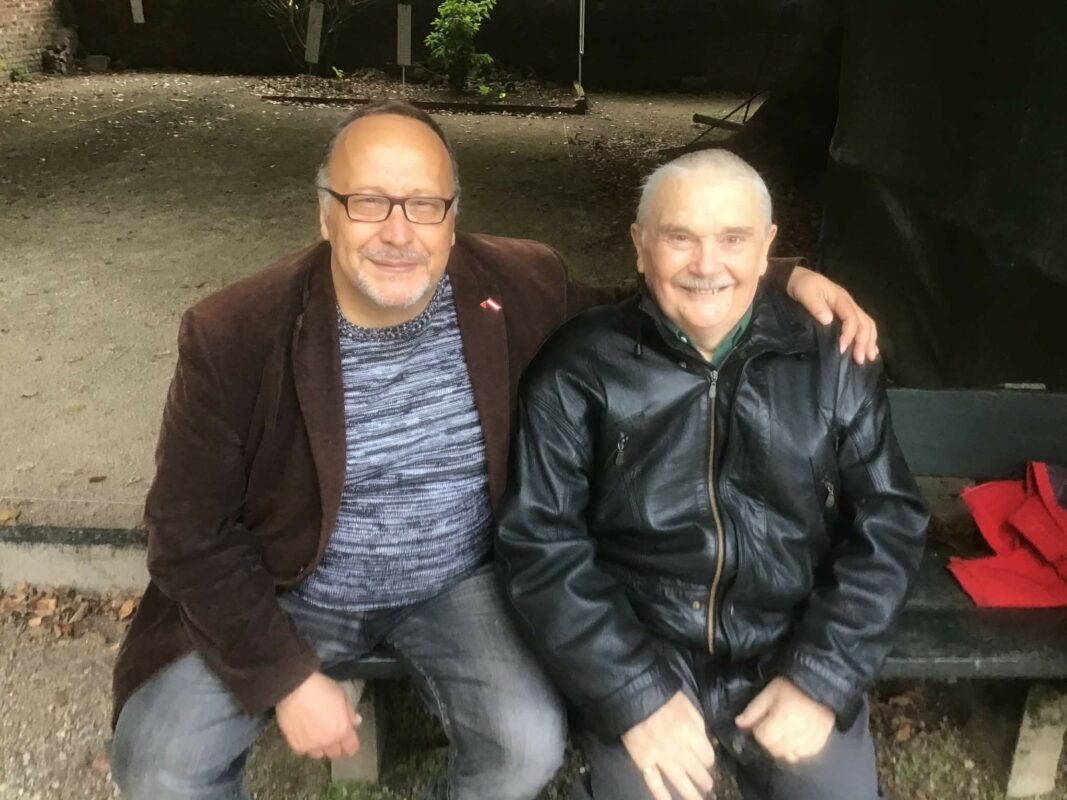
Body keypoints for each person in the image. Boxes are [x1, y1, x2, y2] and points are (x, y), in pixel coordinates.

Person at [108, 101, 880, 800]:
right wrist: (284, 676)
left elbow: (646, 304)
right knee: (162, 767)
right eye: (368, 202)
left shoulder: (516, 283)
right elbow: (186, 533)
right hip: (287, 584)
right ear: (325, 214)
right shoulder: (234, 331)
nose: (398, 232)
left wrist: (778, 280)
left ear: (452, 216)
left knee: (525, 746)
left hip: (458, 580)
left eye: (424, 204)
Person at [496, 148, 928, 800]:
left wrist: (821, 676)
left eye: (732, 239)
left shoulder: (833, 358)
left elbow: (889, 522)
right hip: (642, 642)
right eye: (680, 238)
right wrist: (633, 692)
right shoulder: (578, 367)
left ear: (767, 248)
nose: (706, 264)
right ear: (640, 247)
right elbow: (539, 541)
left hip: (789, 636)